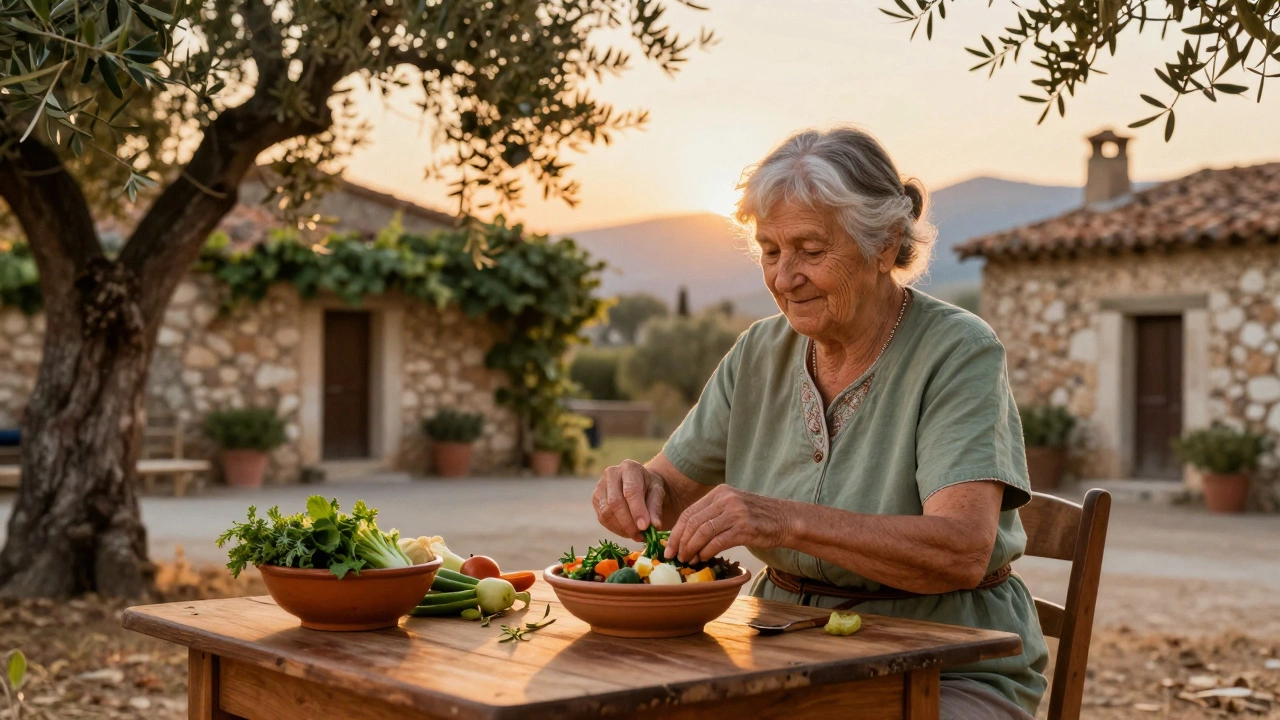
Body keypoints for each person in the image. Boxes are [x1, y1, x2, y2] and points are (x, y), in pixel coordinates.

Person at [592, 126, 1048, 719]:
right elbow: (668, 498)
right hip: (783, 648)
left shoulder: (958, 350)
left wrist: (783, 520)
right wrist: (633, 490)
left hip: (949, 663)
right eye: (771, 251)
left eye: (810, 250)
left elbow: (960, 551)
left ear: (884, 245)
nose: (784, 278)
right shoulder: (759, 351)